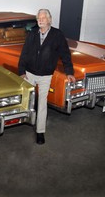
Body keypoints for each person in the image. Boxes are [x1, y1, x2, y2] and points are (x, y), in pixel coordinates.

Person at [18, 9, 75, 145]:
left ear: (49, 20)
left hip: (45, 76)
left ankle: (40, 132)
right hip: (30, 73)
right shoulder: (32, 33)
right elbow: (24, 53)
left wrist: (69, 72)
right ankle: (24, 121)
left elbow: (65, 55)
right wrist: (21, 71)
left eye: (43, 18)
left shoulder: (57, 35)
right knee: (26, 100)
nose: (41, 20)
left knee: (42, 104)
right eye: (39, 18)